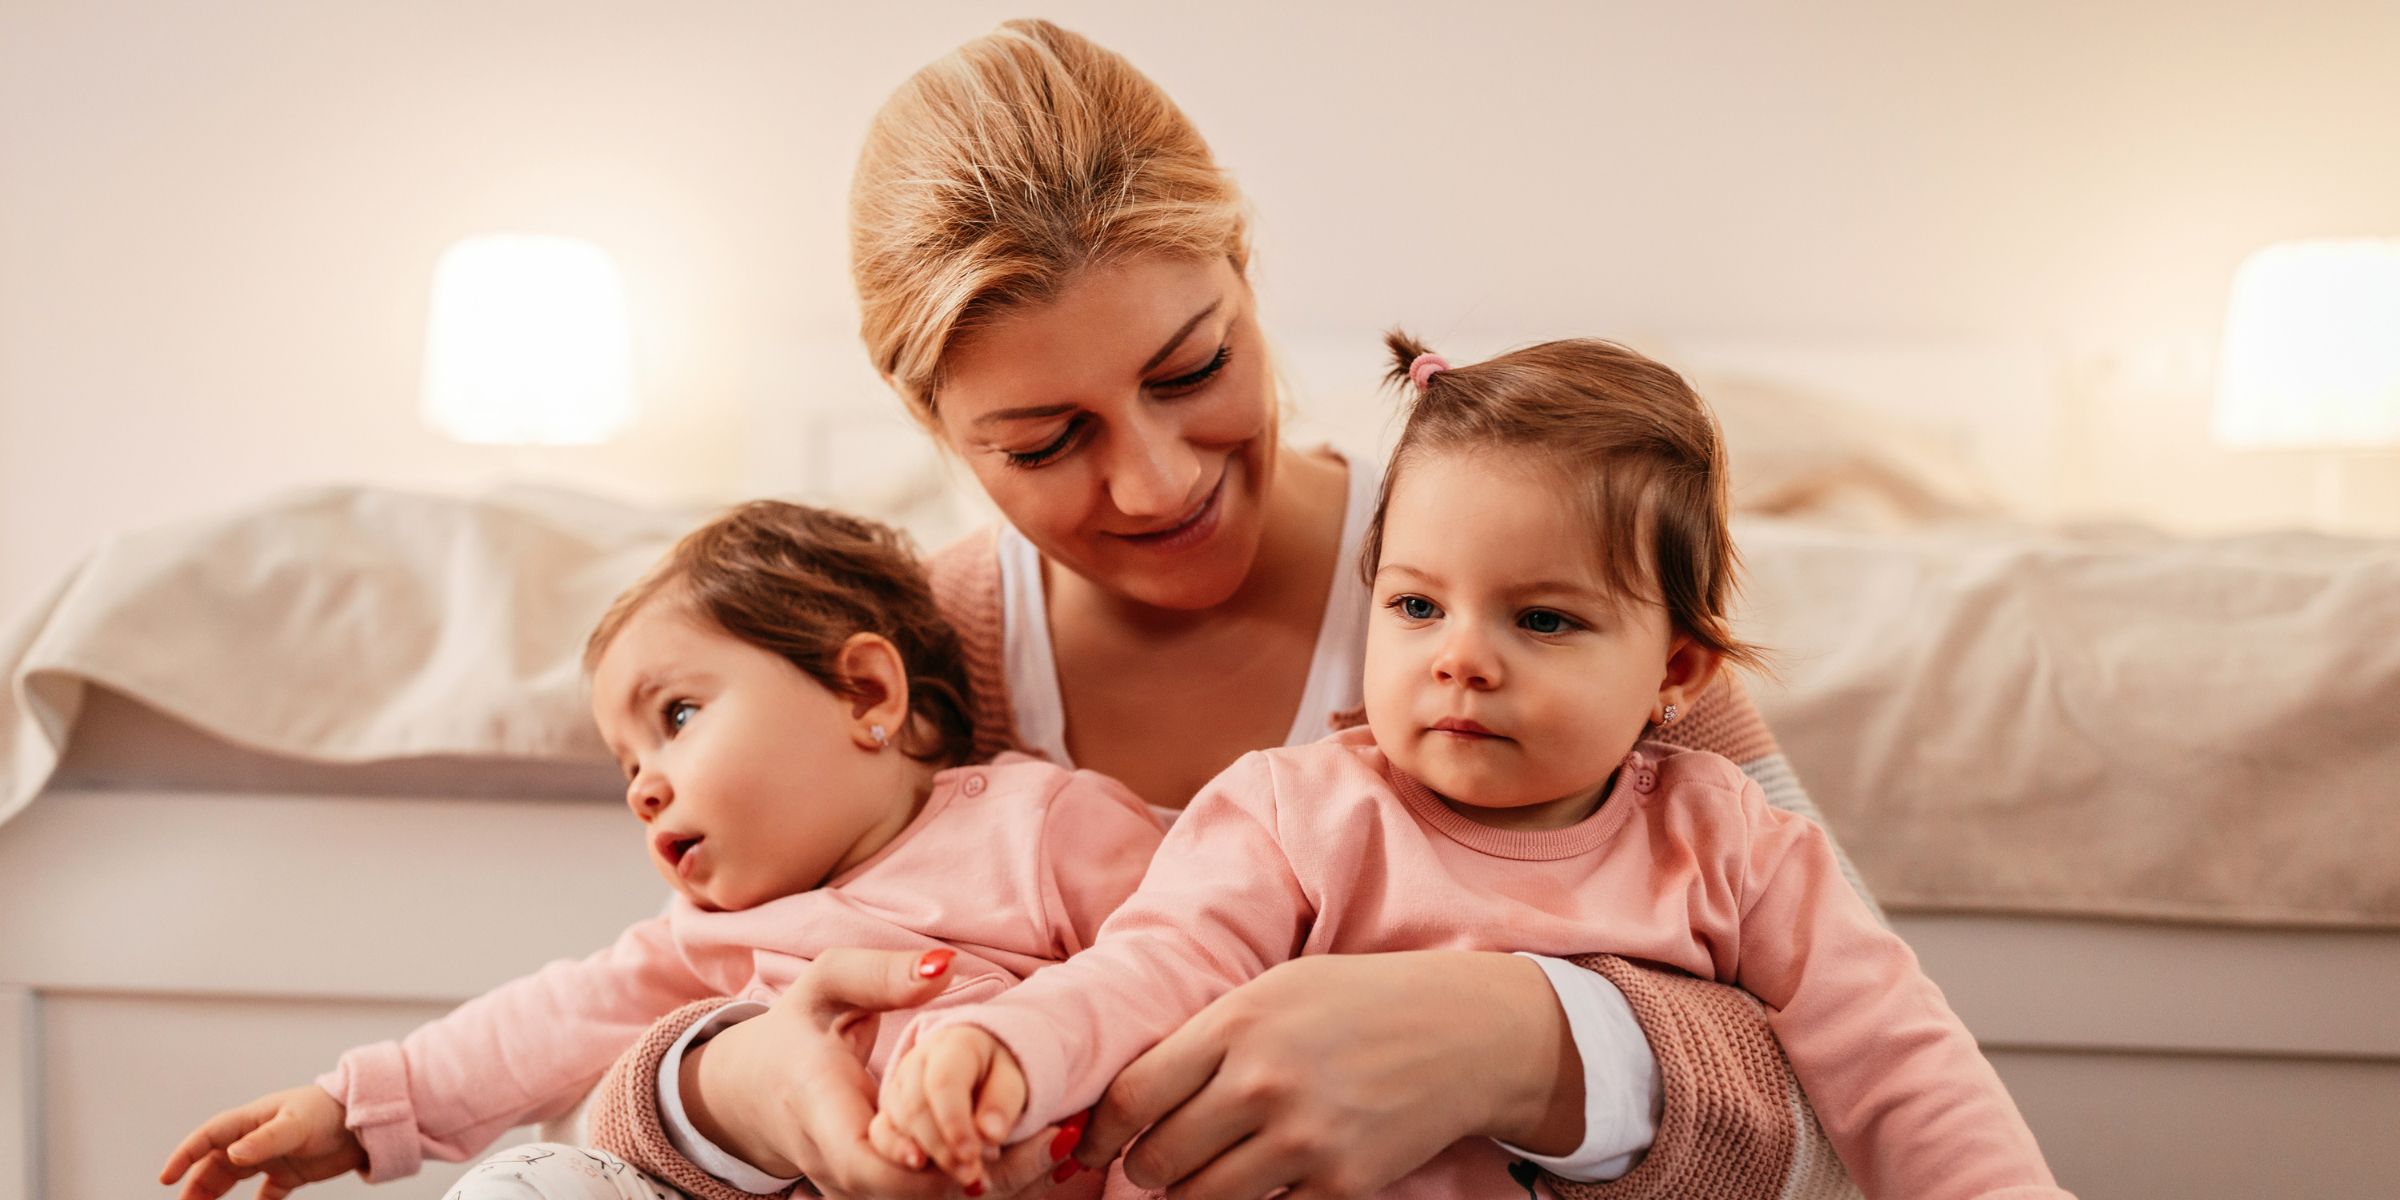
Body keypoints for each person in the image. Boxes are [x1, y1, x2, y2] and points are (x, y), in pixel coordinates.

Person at [585, 19, 1878, 1200]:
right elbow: (612, 1078)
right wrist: (730, 1087)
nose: (1156, 482)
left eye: (1194, 368)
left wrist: (1520, 1044)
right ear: (941, 434)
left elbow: (1842, 1101)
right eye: (1044, 442)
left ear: (1245, 273)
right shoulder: (924, 656)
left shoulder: (1544, 585)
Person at [874, 335, 2065, 1200]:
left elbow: (1897, 1059)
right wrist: (1006, 1050)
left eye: (1542, 621)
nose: (1462, 662)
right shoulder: (1296, 810)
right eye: (1416, 606)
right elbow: (1152, 968)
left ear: (1678, 671)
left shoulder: (1735, 844)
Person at [154, 501, 1161, 1200]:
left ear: (866, 694)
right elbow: (543, 1022)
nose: (642, 784)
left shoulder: (1039, 826)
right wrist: (355, 1105)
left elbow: (1199, 961)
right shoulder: (706, 937)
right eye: (624, 761)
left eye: (677, 715)